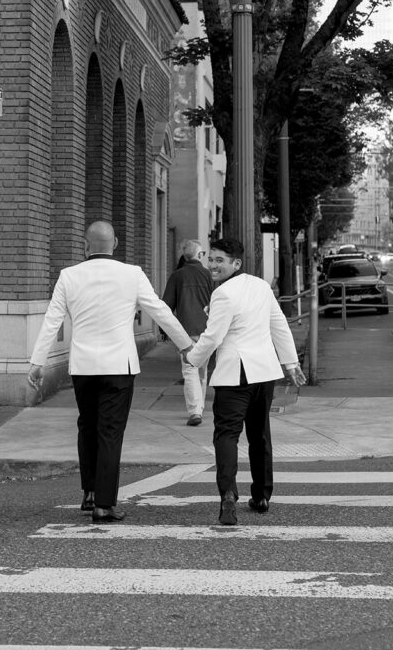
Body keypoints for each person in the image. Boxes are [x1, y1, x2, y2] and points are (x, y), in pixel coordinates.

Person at [28, 220, 194, 523]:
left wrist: (38, 361)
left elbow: (53, 319)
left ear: (85, 245)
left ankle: (90, 493)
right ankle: (105, 504)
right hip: (119, 365)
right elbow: (159, 310)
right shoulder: (132, 274)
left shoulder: (68, 276)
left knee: (87, 427)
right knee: (110, 432)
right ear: (115, 243)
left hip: (83, 366)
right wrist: (184, 344)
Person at [184, 237, 306, 526]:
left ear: (236, 263)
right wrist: (290, 363)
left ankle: (228, 496)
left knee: (226, 435)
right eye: (211, 259)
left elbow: (213, 337)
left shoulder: (223, 293)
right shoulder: (261, 286)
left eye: (220, 260)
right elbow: (278, 324)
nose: (212, 265)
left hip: (234, 374)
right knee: (259, 434)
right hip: (264, 373)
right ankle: (262, 495)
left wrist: (193, 358)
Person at [162, 239, 213, 426]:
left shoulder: (177, 276)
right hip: (207, 330)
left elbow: (166, 306)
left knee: (189, 369)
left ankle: (194, 411)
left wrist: (164, 330)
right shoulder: (208, 275)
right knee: (202, 371)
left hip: (185, 331)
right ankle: (199, 409)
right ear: (199, 255)